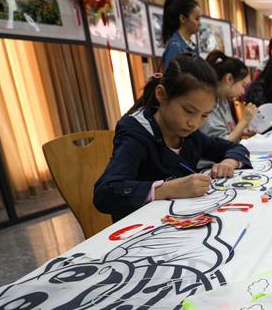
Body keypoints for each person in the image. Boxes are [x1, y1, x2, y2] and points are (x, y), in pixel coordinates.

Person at [94, 55, 251, 222]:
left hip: (180, 221)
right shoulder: (137, 134)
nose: (194, 123)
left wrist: (229, 162)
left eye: (204, 116)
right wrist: (168, 189)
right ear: (161, 94)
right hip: (142, 230)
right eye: (188, 111)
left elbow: (235, 148)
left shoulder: (190, 135)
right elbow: (106, 192)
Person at [198, 50, 257, 144]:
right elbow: (220, 144)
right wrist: (243, 122)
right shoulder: (210, 103)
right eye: (243, 85)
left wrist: (242, 131)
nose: (243, 92)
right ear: (229, 79)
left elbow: (227, 132)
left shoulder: (223, 100)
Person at [160, 0, 201, 70]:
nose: (199, 23)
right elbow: (171, 79)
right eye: (196, 19)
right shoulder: (175, 47)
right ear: (183, 18)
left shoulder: (193, 46)